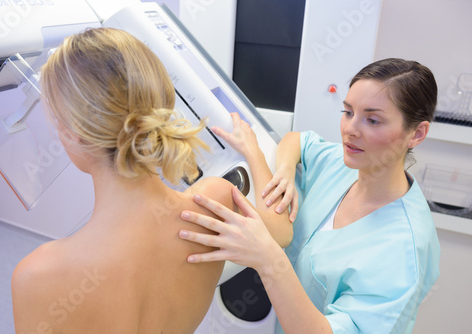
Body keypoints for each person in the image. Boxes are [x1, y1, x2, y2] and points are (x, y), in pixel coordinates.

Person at [11, 28, 292, 334]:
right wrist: (254, 153)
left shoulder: (38, 275)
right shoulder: (213, 203)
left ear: (73, 133)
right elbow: (281, 232)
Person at [179, 58, 441, 333]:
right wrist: (284, 170)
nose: (350, 129)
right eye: (348, 112)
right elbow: (298, 141)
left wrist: (268, 259)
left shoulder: (402, 251)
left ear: (417, 133)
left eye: (372, 120)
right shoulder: (343, 165)